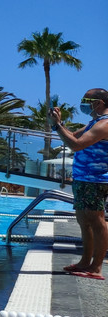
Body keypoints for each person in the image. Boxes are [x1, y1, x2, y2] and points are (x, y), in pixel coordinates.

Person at [52, 88, 108, 279]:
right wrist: (58, 123)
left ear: (99, 103)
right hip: (83, 179)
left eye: (86, 100)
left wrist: (58, 126)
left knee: (97, 221)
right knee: (84, 221)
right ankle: (85, 262)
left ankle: (96, 267)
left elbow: (76, 145)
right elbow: (73, 137)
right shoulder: (95, 122)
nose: (83, 103)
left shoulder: (104, 124)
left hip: (95, 179)